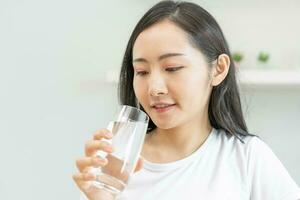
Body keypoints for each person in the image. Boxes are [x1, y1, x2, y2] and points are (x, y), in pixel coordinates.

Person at [72, 1, 300, 199]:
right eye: (141, 71)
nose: (154, 88)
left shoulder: (247, 157)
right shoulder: (111, 167)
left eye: (172, 68)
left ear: (218, 69)